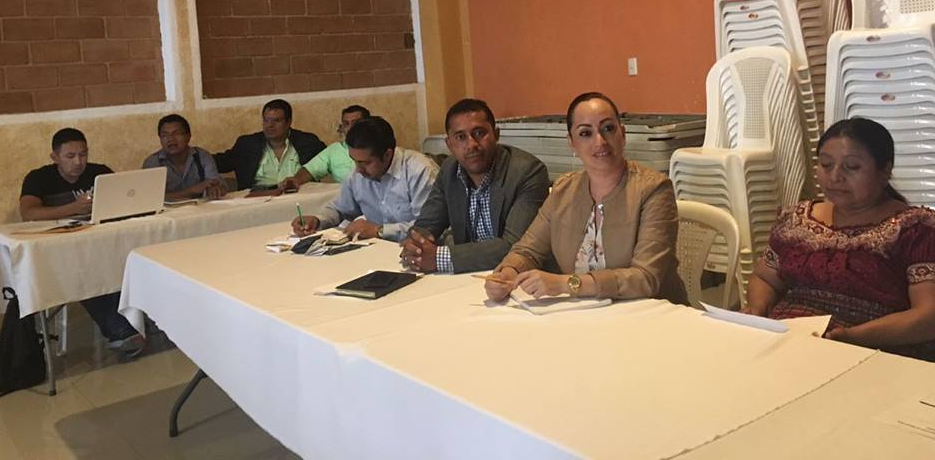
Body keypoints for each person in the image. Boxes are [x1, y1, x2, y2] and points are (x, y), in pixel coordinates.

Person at [744, 117, 935, 359]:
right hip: (789, 343)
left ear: (884, 171)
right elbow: (766, 278)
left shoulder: (915, 229)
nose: (835, 176)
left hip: (873, 351)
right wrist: (758, 308)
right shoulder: (796, 218)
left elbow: (928, 316)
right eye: (826, 164)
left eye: (851, 167)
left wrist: (854, 337)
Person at [485, 92, 687, 304]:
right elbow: (527, 251)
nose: (600, 141)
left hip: (652, 314)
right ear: (571, 143)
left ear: (622, 134)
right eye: (585, 133)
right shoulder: (563, 190)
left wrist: (566, 284)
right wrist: (506, 274)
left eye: (608, 129)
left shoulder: (654, 189)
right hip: (587, 315)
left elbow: (645, 279)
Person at [19, 128, 143, 357]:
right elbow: (28, 213)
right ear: (55, 157)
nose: (78, 162)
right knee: (83, 268)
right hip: (60, 254)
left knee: (129, 260)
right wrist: (73, 208)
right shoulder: (38, 178)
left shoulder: (100, 173)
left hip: (103, 245)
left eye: (83, 154)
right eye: (70, 156)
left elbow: (125, 201)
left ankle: (133, 325)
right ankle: (121, 330)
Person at [401, 98, 550, 274]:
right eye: (461, 137)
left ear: (496, 134)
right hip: (467, 276)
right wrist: (415, 246)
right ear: (449, 144)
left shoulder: (527, 172)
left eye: (479, 133)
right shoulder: (450, 170)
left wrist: (440, 258)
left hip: (517, 276)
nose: (471, 144)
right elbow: (426, 225)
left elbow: (516, 246)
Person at [290, 117, 438, 240]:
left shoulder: (419, 171)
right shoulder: (357, 174)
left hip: (417, 253)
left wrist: (379, 230)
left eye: (365, 163)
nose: (358, 169)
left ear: (387, 155)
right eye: (354, 161)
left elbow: (429, 227)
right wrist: (317, 220)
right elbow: (340, 208)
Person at [214, 98, 325, 191]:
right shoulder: (247, 145)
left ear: (288, 122)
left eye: (276, 120)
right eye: (266, 120)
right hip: (258, 199)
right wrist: (202, 157)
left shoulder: (308, 142)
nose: (270, 125)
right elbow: (222, 162)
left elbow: (329, 159)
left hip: (298, 196)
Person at [285, 105, 370, 190]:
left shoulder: (377, 146)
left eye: (356, 123)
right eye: (346, 124)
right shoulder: (334, 150)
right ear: (342, 127)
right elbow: (310, 170)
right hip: (347, 195)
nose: (351, 128)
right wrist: (296, 180)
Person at [142, 114, 226, 200]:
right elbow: (150, 198)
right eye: (165, 135)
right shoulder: (152, 163)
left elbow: (215, 183)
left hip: (200, 207)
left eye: (177, 133)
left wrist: (215, 189)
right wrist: (191, 191)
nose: (171, 139)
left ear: (188, 136)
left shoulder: (202, 156)